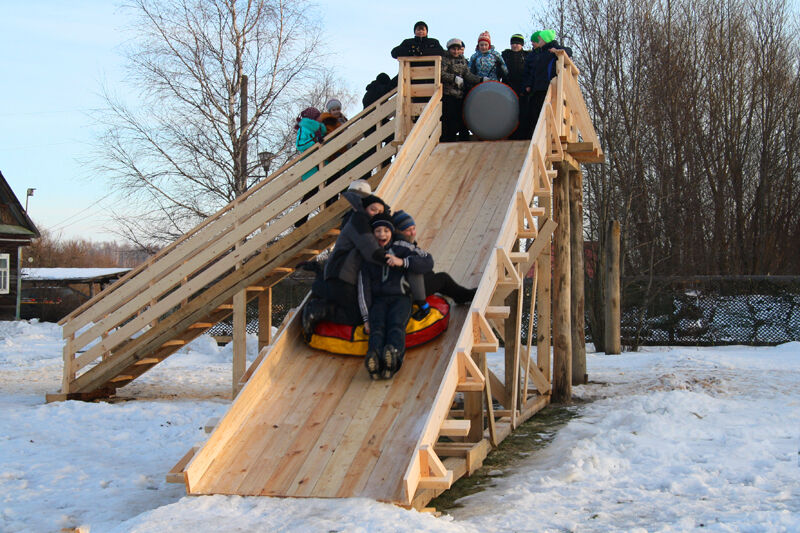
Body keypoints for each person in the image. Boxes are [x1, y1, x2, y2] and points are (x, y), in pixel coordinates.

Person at [301, 184, 391, 338]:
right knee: (356, 315)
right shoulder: (359, 220)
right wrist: (395, 262)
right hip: (342, 274)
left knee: (361, 306)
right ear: (364, 207)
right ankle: (319, 309)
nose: (376, 213)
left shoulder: (366, 222)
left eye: (380, 212)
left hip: (347, 275)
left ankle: (324, 296)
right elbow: (370, 250)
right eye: (373, 209)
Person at [358, 213, 433, 379]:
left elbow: (428, 261)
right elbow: (363, 288)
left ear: (391, 232)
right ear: (373, 234)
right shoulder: (369, 256)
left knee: (396, 325)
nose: (382, 234)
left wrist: (403, 262)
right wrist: (365, 318)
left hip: (401, 297)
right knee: (376, 327)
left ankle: (394, 356)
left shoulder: (402, 247)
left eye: (386, 230)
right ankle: (374, 359)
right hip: (379, 300)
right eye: (378, 231)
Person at [393, 210, 477, 305]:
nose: (413, 233)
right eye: (408, 230)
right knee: (443, 278)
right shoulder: (404, 246)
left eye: (413, 228)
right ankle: (465, 296)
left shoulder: (395, 245)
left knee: (429, 274)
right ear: (398, 231)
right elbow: (428, 261)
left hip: (404, 288)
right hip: (410, 291)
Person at [523, 30, 573, 130]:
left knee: (549, 110)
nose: (539, 41)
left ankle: (548, 132)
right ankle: (538, 133)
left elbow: (569, 51)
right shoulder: (540, 53)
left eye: (540, 39)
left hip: (548, 86)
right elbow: (534, 71)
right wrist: (529, 84)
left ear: (545, 40)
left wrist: (557, 51)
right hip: (537, 88)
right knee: (535, 112)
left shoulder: (553, 48)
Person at [440, 38, 482, 142]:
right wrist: (453, 78)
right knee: (449, 119)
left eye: (458, 49)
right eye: (453, 49)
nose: (456, 51)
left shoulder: (462, 60)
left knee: (462, 118)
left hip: (460, 94)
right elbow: (440, 73)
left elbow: (467, 75)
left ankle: (464, 139)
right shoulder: (444, 60)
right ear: (449, 49)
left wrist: (480, 79)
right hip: (448, 93)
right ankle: (448, 139)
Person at [294, 107, 326, 227]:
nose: (320, 118)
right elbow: (300, 144)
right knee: (312, 191)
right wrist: (315, 142)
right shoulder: (305, 128)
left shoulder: (320, 129)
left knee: (322, 188)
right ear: (313, 118)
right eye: (318, 116)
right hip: (311, 164)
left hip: (321, 161)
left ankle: (324, 212)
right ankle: (300, 221)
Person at [502, 34, 530, 139]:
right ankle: (510, 135)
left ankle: (523, 135)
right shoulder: (506, 55)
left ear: (522, 45)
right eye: (513, 43)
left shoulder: (526, 56)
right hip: (508, 86)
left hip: (522, 87)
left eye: (518, 43)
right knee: (510, 111)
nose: (515, 46)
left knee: (523, 111)